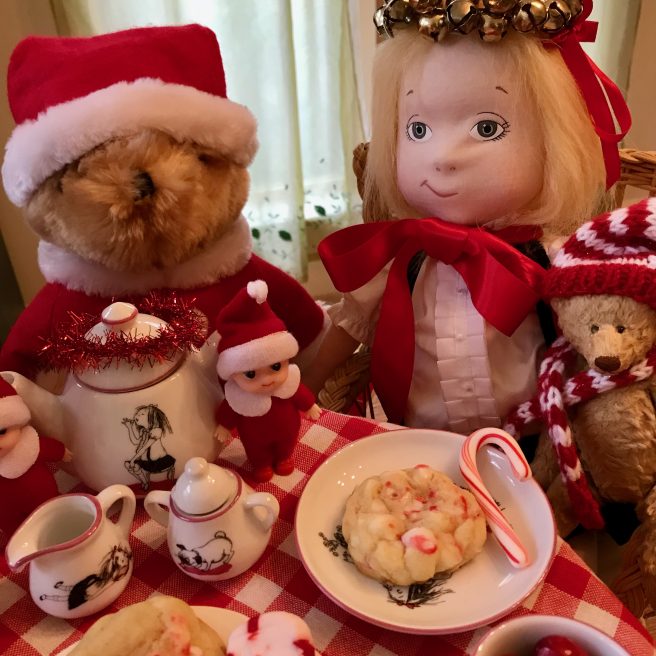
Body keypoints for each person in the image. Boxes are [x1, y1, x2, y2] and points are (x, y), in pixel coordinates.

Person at [306, 0, 630, 432]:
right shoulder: (400, 262)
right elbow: (351, 324)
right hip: (416, 444)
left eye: (486, 128)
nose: (443, 157)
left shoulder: (553, 260)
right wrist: (303, 389)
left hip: (534, 444)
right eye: (418, 130)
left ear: (554, 141)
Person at [215, 280, 321, 483]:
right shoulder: (239, 397)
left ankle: (283, 458)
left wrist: (310, 405)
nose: (267, 381)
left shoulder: (287, 385)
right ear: (234, 374)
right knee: (256, 450)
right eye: (251, 374)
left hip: (288, 430)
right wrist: (224, 425)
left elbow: (300, 394)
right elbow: (229, 410)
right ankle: (261, 464)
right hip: (253, 437)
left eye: (276, 367)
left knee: (287, 444)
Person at [0, 377, 71, 538]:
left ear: (17, 422)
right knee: (15, 532)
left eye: (2, 432)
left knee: (54, 515)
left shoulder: (29, 444)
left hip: (46, 503)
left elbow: (47, 448)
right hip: (11, 520)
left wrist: (61, 451)